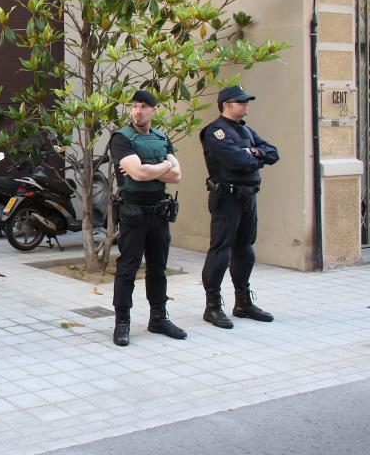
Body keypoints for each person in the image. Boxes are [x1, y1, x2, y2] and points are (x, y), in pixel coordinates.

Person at [108, 89, 187, 347]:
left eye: (143, 106)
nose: (138, 111)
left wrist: (154, 169)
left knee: (158, 269)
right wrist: (164, 166)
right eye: (134, 106)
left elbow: (176, 176)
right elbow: (139, 174)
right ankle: (122, 322)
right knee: (127, 269)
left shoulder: (162, 137)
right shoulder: (121, 138)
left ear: (154, 110)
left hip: (159, 212)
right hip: (133, 212)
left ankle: (158, 319)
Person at [200, 85, 279, 328]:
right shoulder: (215, 132)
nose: (246, 105)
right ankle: (212, 307)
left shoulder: (246, 131)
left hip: (248, 196)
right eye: (241, 101)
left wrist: (252, 151)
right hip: (227, 197)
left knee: (245, 248)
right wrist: (254, 156)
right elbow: (237, 160)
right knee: (221, 250)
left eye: (247, 101)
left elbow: (273, 153)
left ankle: (243, 302)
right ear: (226, 104)